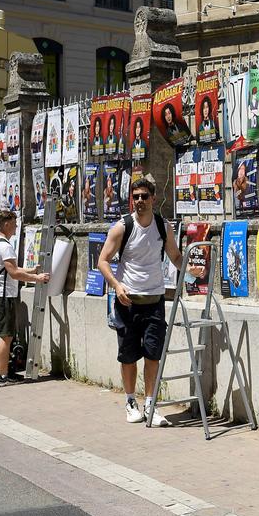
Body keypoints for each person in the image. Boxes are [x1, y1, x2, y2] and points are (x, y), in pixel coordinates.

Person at [98, 177, 193, 426]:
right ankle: (131, 401)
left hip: (154, 301)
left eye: (144, 196)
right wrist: (117, 286)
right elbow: (103, 260)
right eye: (136, 196)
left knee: (153, 355)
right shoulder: (122, 227)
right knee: (128, 356)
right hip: (128, 302)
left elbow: (174, 255)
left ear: (153, 199)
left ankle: (151, 403)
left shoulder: (163, 226)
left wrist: (193, 272)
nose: (140, 201)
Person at [0, 210, 50, 387]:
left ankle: (3, 373)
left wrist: (31, 270)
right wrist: (37, 278)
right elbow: (14, 274)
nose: (15, 228)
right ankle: (2, 376)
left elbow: (11, 268)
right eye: (14, 224)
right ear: (6, 224)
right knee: (5, 337)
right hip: (3, 296)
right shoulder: (5, 245)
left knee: (5, 336)